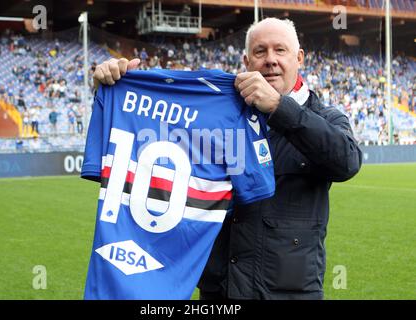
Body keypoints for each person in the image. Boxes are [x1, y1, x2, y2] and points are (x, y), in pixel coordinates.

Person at [91, 17, 362, 300]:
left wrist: (280, 109)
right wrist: (113, 93)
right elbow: (143, 143)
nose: (270, 60)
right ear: (246, 61)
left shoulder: (325, 116)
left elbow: (347, 162)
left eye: (280, 50)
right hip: (220, 291)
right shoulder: (215, 117)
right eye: (260, 51)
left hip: (288, 294)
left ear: (299, 57)